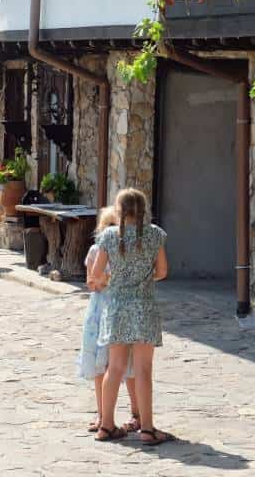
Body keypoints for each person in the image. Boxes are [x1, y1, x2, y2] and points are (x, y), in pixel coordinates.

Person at [88, 188, 173, 445]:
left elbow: (96, 275)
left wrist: (115, 280)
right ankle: (147, 429)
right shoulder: (155, 234)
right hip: (144, 307)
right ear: (144, 211)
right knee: (143, 370)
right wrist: (142, 279)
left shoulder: (108, 236)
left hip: (116, 308)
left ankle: (106, 425)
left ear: (118, 211)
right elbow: (162, 272)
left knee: (114, 368)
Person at [79, 206, 141, 436]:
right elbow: (91, 282)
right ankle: (103, 414)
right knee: (101, 364)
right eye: (109, 226)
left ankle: (136, 413)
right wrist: (106, 280)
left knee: (128, 364)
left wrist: (105, 279)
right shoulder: (96, 250)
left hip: (119, 308)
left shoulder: (128, 250)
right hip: (100, 310)